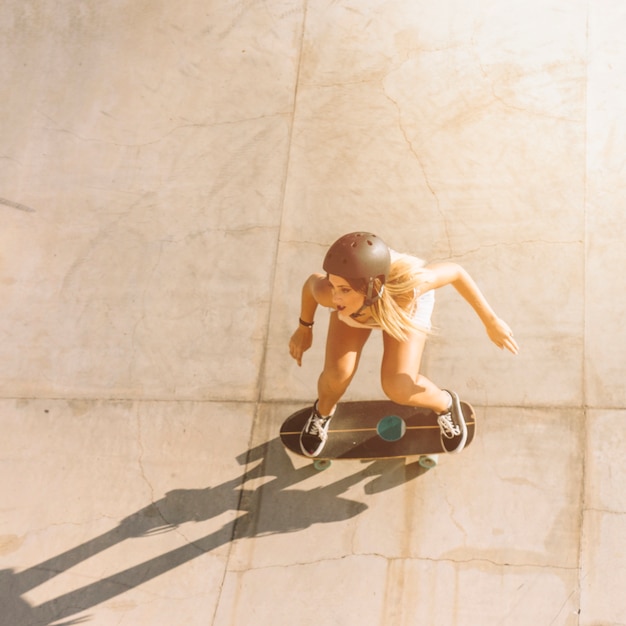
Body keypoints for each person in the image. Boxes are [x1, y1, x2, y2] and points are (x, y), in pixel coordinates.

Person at [288, 231, 519, 458]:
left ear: (371, 287)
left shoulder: (409, 287)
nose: (335, 298)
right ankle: (322, 413)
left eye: (344, 289)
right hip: (357, 309)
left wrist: (491, 322)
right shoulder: (333, 295)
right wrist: (303, 328)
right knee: (336, 376)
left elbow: (455, 272)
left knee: (398, 385)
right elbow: (311, 285)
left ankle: (445, 404)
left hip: (397, 308)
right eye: (333, 285)